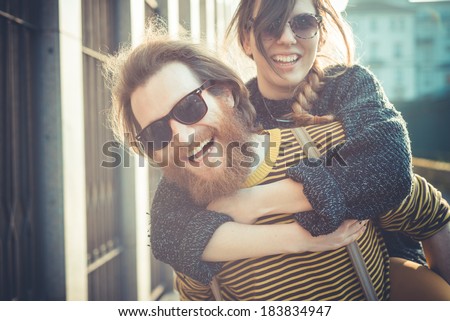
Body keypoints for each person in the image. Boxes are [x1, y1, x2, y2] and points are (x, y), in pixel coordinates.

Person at [104, 37, 450, 300]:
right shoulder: (185, 218)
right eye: (157, 132)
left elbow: (430, 216)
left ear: (225, 95)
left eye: (189, 107)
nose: (182, 137)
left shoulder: (332, 146)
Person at [146, 0, 425, 286]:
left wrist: (252, 203)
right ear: (246, 38)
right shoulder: (228, 116)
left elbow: (389, 166)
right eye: (270, 26)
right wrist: (302, 238)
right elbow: (168, 233)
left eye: (303, 23)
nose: (286, 38)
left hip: (386, 282)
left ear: (321, 32)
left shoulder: (350, 84)